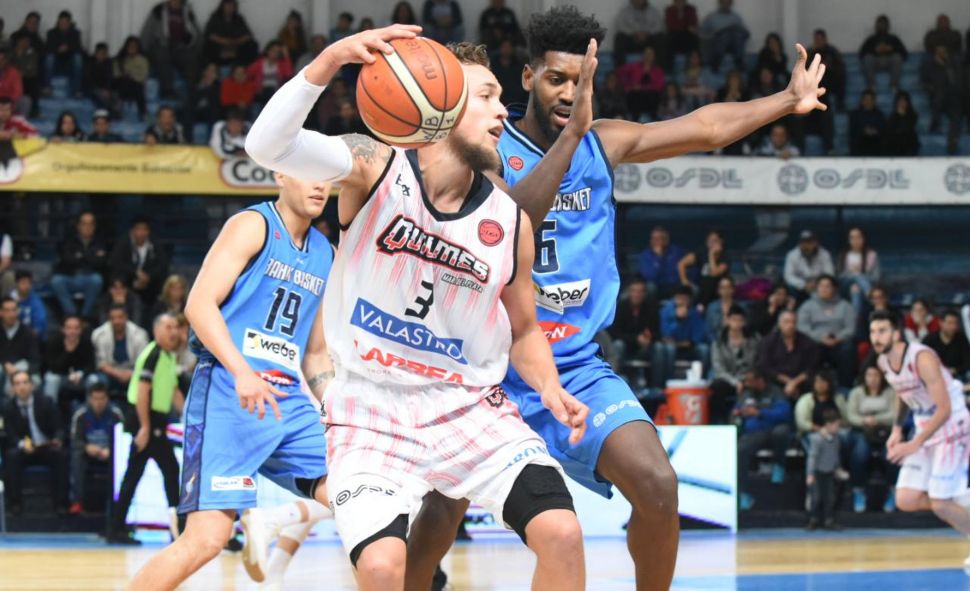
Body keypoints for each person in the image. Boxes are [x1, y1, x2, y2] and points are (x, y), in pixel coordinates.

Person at [410, 6, 828, 589]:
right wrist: (572, 136)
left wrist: (785, 100)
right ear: (528, 78)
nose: (568, 92)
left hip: (575, 364)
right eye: (556, 78)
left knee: (658, 485)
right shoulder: (489, 147)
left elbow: (705, 127)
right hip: (491, 363)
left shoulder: (602, 142)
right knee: (444, 504)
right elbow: (511, 224)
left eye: (581, 80)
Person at [245, 28, 590, 591]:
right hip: (370, 407)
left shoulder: (510, 223)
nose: (502, 111)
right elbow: (266, 147)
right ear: (440, 104)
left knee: (562, 533)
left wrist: (550, 388)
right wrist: (332, 58)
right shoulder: (375, 166)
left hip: (470, 408)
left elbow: (525, 329)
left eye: (502, 98)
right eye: (486, 96)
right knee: (384, 567)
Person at [125, 180, 337, 585]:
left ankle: (275, 520)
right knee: (207, 539)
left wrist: (335, 405)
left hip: (288, 401)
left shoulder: (326, 253)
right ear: (281, 175)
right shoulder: (253, 225)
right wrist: (242, 372)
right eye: (309, 173)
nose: (319, 185)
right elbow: (198, 305)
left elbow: (315, 354)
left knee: (360, 503)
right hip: (229, 392)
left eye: (326, 177)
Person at [870, 310, 970, 567]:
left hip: (952, 427)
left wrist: (914, 443)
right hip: (924, 428)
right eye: (873, 332)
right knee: (906, 499)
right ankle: (959, 498)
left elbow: (944, 409)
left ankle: (953, 499)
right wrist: (896, 429)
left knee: (941, 504)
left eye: (882, 331)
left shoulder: (922, 358)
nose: (876, 337)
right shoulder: (883, 361)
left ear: (896, 333)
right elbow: (902, 391)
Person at [107, 313, 184, 545]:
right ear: (156, 330)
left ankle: (116, 528)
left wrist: (189, 417)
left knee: (137, 474)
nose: (173, 332)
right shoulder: (153, 354)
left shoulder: (168, 356)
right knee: (169, 470)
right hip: (147, 419)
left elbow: (173, 391)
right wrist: (145, 428)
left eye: (175, 327)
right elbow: (142, 392)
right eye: (168, 327)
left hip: (155, 421)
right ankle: (178, 528)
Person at [2, 370, 69, 515]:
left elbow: (59, 427)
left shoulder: (46, 402)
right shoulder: (8, 407)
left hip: (46, 446)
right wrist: (22, 445)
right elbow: (10, 434)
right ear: (13, 388)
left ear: (32, 385)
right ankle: (15, 504)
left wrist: (57, 439)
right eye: (17, 383)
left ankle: (61, 504)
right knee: (11, 456)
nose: (22, 387)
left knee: (61, 455)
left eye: (25, 382)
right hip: (24, 449)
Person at [736, 367, 793, 510]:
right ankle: (743, 494)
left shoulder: (775, 392)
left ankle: (779, 466)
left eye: (750, 381)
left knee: (782, 432)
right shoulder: (746, 394)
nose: (747, 384)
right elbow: (736, 410)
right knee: (740, 449)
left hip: (773, 429)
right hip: (755, 432)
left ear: (760, 380)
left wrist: (759, 413)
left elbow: (784, 413)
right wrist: (739, 413)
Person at [845, 364, 897, 514]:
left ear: (882, 377)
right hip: (861, 431)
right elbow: (850, 416)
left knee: (892, 455)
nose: (873, 379)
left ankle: (893, 491)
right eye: (869, 375)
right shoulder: (856, 393)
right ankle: (858, 490)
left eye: (876, 375)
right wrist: (865, 421)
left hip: (885, 432)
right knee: (860, 454)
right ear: (864, 377)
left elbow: (895, 414)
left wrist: (877, 419)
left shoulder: (890, 392)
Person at [69, 381, 123, 514]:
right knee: (76, 455)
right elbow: (75, 440)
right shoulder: (80, 414)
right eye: (95, 399)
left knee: (121, 458)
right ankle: (77, 501)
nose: (98, 403)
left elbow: (123, 439)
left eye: (102, 398)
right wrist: (86, 447)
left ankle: (119, 501)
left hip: (109, 452)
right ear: (89, 399)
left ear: (107, 399)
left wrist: (112, 450)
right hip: (88, 452)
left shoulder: (116, 414)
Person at [797, 274, 856, 388]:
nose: (824, 289)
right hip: (815, 341)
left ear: (834, 289)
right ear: (817, 288)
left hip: (839, 341)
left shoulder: (845, 306)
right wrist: (820, 338)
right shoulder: (807, 306)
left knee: (848, 348)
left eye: (827, 286)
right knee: (806, 347)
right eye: (821, 286)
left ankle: (845, 387)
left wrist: (838, 338)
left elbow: (850, 328)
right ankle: (810, 387)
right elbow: (802, 327)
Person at [108, 216, 170, 315]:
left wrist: (148, 277)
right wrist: (136, 273)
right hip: (128, 283)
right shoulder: (123, 243)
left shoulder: (155, 245)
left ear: (148, 231)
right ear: (132, 231)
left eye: (144, 229)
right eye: (138, 229)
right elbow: (116, 263)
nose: (141, 233)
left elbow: (162, 265)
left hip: (150, 285)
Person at [710, 305, 760, 425]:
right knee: (716, 386)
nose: (737, 324)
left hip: (748, 378)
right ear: (728, 321)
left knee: (756, 385)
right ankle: (720, 420)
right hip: (728, 379)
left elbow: (756, 362)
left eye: (740, 320)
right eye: (734, 320)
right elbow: (718, 368)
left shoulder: (754, 340)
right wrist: (735, 382)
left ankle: (747, 421)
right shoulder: (719, 342)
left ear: (744, 322)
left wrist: (746, 378)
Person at [758, 310, 820, 399]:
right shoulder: (768, 342)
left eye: (793, 322)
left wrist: (794, 383)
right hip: (776, 381)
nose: (790, 325)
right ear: (779, 324)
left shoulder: (808, 342)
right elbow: (764, 366)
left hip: (802, 382)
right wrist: (788, 382)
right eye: (786, 322)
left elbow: (812, 367)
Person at [91, 303, 150, 396]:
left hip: (133, 372)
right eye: (113, 318)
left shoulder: (140, 334)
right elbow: (101, 363)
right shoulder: (99, 334)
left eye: (120, 317)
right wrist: (118, 374)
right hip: (110, 373)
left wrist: (131, 374)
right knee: (95, 380)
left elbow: (144, 363)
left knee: (146, 379)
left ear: (126, 317)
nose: (116, 321)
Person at [655, 286, 708, 390]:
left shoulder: (695, 312)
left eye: (685, 298)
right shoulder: (665, 311)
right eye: (679, 298)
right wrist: (678, 319)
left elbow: (697, 337)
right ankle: (666, 384)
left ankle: (703, 384)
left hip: (689, 347)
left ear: (690, 299)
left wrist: (681, 343)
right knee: (668, 349)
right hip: (670, 347)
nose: (682, 301)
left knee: (704, 349)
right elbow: (665, 334)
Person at [607, 279, 659, 382]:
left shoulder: (651, 308)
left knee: (659, 347)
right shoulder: (621, 307)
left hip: (645, 348)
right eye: (634, 291)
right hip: (626, 347)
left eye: (640, 291)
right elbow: (614, 334)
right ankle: (616, 380)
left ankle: (658, 385)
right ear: (629, 292)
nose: (637, 294)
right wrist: (635, 339)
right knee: (618, 345)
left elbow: (658, 333)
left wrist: (649, 339)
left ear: (645, 294)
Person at [805, 407, 848, 530]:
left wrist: (837, 469)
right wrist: (810, 474)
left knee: (830, 497)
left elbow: (835, 455)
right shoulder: (817, 439)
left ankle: (829, 520)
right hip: (817, 473)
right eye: (836, 425)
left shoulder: (836, 439)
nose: (838, 428)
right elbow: (812, 457)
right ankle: (813, 519)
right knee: (816, 497)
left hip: (829, 472)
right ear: (828, 425)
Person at [43, 315, 96, 406]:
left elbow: (91, 365)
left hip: (81, 378)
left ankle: (89, 411)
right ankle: (50, 410)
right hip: (62, 377)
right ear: (63, 329)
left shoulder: (86, 342)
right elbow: (53, 367)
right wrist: (67, 352)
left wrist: (80, 374)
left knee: (93, 380)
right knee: (51, 379)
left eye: (76, 328)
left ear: (81, 330)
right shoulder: (54, 341)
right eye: (69, 328)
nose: (72, 331)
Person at [924, 45, 963, 154]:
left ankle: (952, 141)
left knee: (956, 115)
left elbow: (955, 82)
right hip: (936, 96)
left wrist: (945, 66)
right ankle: (934, 123)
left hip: (952, 98)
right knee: (940, 95)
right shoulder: (930, 66)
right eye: (939, 52)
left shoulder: (952, 66)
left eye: (943, 52)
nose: (942, 54)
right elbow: (925, 82)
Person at [794, 371, 848, 449]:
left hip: (836, 431)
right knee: (819, 440)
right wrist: (820, 429)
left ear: (829, 383)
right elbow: (801, 423)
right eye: (817, 382)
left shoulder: (838, 399)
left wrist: (834, 428)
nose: (820, 384)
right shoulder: (805, 400)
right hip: (813, 432)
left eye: (823, 381)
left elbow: (846, 420)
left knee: (845, 436)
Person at [0, 296, 42, 394]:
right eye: (7, 310)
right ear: (1, 312)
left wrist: (19, 372)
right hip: (3, 368)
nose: (11, 314)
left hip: (23, 369)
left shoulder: (28, 333)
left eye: (14, 310)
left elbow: (36, 361)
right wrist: (4, 364)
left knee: (25, 381)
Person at [837, 226, 880, 320]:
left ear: (863, 239)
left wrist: (860, 277)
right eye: (852, 238)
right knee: (857, 276)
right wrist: (852, 274)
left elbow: (876, 277)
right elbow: (839, 277)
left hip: (860, 288)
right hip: (845, 287)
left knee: (856, 289)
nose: (856, 240)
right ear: (849, 240)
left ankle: (854, 321)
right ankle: (870, 294)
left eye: (858, 237)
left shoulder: (871, 255)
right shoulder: (843, 255)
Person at [617, 46, 666, 122]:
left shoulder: (658, 71)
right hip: (636, 96)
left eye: (650, 54)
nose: (648, 56)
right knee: (634, 94)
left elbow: (659, 86)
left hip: (651, 97)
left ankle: (653, 118)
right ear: (643, 55)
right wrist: (627, 86)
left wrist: (642, 87)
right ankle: (635, 120)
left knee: (653, 94)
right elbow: (619, 72)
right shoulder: (634, 66)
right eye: (646, 54)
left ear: (654, 57)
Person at [859, 15, 907, 92]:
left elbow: (905, 54)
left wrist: (891, 49)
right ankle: (872, 86)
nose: (882, 26)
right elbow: (861, 54)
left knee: (897, 58)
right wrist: (875, 50)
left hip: (890, 61)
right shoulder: (871, 39)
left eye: (884, 24)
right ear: (876, 26)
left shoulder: (894, 38)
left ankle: (894, 85)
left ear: (888, 26)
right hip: (875, 61)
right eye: (880, 24)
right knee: (868, 58)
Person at [783, 230, 834, 301]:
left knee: (828, 287)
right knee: (790, 287)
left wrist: (817, 283)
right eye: (803, 243)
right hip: (800, 287)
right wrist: (804, 285)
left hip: (818, 285)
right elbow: (788, 276)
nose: (806, 246)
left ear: (816, 243)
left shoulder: (824, 254)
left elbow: (830, 274)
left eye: (809, 242)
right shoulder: (792, 255)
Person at [202, 0, 256, 66]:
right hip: (219, 47)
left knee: (252, 45)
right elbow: (208, 34)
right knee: (207, 46)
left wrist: (237, 41)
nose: (230, 8)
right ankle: (212, 67)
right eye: (227, 5)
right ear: (222, 6)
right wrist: (222, 40)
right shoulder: (215, 17)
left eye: (232, 6)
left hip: (236, 46)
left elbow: (248, 35)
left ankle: (241, 67)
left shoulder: (239, 19)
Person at [699, 0, 748, 72]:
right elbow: (701, 33)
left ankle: (739, 60)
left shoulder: (736, 17)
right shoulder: (711, 17)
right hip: (716, 43)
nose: (726, 4)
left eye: (728, 2)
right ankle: (716, 61)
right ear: (719, 3)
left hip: (733, 45)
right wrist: (712, 35)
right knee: (724, 35)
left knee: (736, 34)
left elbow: (745, 32)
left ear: (731, 3)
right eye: (723, 2)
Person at [638, 226, 687, 299]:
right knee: (650, 286)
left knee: (687, 287)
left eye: (660, 238)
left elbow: (679, 272)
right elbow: (649, 276)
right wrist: (659, 258)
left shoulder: (677, 252)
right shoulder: (645, 255)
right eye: (654, 239)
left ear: (667, 240)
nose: (657, 241)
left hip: (675, 285)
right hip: (656, 286)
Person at [613, 0, 665, 66]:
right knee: (619, 37)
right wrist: (635, 33)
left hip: (648, 41)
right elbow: (621, 26)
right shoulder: (625, 11)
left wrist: (647, 33)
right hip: (633, 40)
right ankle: (620, 69)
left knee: (661, 37)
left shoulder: (654, 11)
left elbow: (659, 26)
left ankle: (660, 68)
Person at [44, 10, 83, 98]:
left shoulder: (75, 33)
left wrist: (68, 48)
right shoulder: (51, 33)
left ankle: (77, 89)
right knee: (49, 58)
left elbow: (79, 48)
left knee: (78, 58)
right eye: (61, 22)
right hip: (56, 62)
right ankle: (47, 87)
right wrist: (58, 50)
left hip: (69, 62)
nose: (63, 24)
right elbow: (48, 48)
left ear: (69, 23)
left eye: (65, 22)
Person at [924, 310, 970, 383]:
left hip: (957, 376)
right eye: (949, 323)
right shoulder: (930, 339)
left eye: (955, 323)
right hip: (935, 376)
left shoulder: (961, 339)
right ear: (941, 323)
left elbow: (967, 361)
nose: (953, 327)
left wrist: (955, 370)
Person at [807, 29, 845, 110]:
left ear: (824, 39)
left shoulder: (832, 51)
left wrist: (828, 66)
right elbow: (806, 67)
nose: (818, 41)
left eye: (820, 39)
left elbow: (840, 65)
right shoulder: (810, 52)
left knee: (840, 77)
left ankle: (839, 104)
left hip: (831, 78)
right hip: (816, 80)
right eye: (816, 39)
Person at [248, 41, 294, 105]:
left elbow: (289, 73)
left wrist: (286, 56)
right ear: (268, 51)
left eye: (278, 52)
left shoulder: (282, 64)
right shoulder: (259, 63)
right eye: (273, 50)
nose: (275, 53)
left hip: (276, 92)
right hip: (261, 92)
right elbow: (248, 75)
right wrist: (256, 87)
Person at [114, 36, 149, 120]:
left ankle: (143, 113)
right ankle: (117, 110)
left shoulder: (143, 60)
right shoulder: (120, 58)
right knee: (123, 82)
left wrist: (132, 76)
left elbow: (143, 76)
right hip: (121, 85)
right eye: (130, 46)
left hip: (136, 85)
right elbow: (116, 73)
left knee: (138, 87)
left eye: (134, 46)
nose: (132, 48)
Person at [10, 35, 40, 117]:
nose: (25, 44)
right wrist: (18, 56)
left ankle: (34, 110)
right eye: (22, 42)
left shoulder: (32, 53)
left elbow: (33, 69)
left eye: (27, 42)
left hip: (26, 78)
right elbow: (9, 66)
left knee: (33, 83)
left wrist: (23, 72)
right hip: (12, 78)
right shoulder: (11, 53)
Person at [11, 270, 47, 337]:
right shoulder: (8, 300)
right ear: (16, 283)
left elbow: (39, 325)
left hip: (28, 337)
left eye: (29, 283)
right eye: (23, 282)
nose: (27, 286)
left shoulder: (36, 302)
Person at [883, 91, 920, 156]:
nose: (902, 103)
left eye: (904, 101)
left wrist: (902, 116)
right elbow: (890, 131)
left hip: (909, 146)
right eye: (900, 101)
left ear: (908, 103)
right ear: (896, 103)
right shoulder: (892, 117)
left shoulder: (913, 116)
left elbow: (908, 129)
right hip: (895, 147)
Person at [84, 42, 116, 116]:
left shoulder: (108, 63)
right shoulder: (89, 62)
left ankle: (114, 112)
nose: (102, 55)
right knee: (99, 95)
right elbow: (88, 79)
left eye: (104, 53)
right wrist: (101, 90)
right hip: (91, 88)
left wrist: (107, 89)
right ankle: (107, 112)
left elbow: (109, 77)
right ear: (96, 53)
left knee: (114, 95)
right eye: (100, 53)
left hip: (104, 88)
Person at [704, 275, 737, 342]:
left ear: (733, 289)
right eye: (722, 288)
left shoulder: (740, 307)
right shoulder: (712, 307)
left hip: (736, 341)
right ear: (718, 290)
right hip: (716, 341)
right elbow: (708, 330)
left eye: (728, 287)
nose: (726, 290)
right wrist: (716, 343)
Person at [0, 48, 28, 116]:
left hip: (9, 103)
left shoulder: (14, 72)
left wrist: (8, 104)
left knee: (25, 100)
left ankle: (20, 120)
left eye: (2, 59)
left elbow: (18, 91)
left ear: (6, 60)